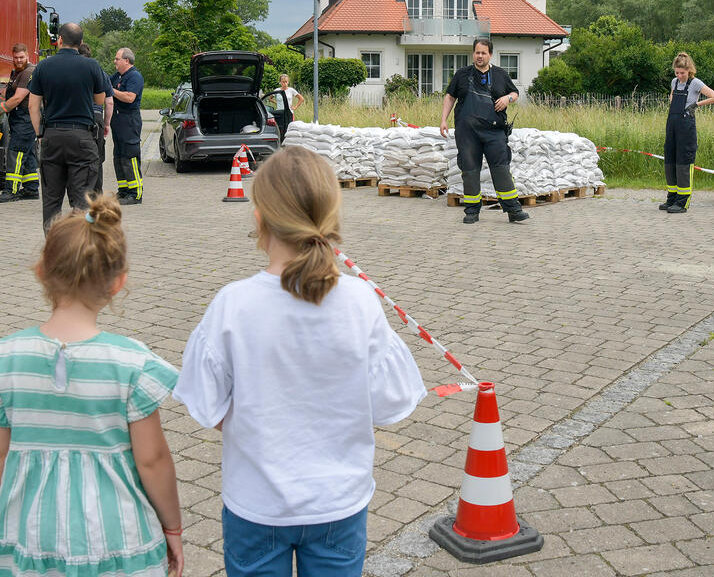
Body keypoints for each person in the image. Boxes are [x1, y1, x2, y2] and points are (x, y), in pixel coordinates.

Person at [173, 146, 426, 577]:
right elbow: (390, 403)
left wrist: (257, 418)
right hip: (338, 503)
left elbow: (207, 405)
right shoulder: (360, 301)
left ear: (258, 217)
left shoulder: (233, 304)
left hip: (257, 504)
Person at [0, 194, 183, 577]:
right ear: (118, 283)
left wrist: (10, 519)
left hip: (33, 532)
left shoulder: (2, 360)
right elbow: (152, 459)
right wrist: (173, 526)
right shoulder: (131, 364)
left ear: (41, 271)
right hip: (117, 533)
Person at [27, 22, 108, 229]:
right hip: (82, 138)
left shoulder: (43, 66)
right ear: (80, 43)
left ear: (59, 40)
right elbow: (100, 100)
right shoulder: (91, 66)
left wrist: (40, 134)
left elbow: (32, 105)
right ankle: (78, 245)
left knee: (52, 200)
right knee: (83, 199)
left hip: (52, 137)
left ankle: (54, 248)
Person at [439, 38, 529, 224]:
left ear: (490, 55)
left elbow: (515, 93)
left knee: (501, 168)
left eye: (483, 53)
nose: (480, 56)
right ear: (473, 54)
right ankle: (472, 211)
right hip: (467, 132)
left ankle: (513, 210)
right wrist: (443, 120)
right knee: (470, 170)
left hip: (494, 132)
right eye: (477, 52)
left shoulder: (500, 75)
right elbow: (450, 97)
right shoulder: (462, 75)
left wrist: (507, 99)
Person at [660, 52, 714, 213]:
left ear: (689, 70)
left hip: (686, 127)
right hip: (672, 125)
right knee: (670, 161)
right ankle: (671, 198)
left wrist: (696, 104)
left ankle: (682, 202)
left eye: (683, 73)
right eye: (677, 73)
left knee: (683, 162)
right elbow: (672, 99)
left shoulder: (695, 83)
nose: (680, 76)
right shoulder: (674, 82)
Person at [0, 43, 40, 202]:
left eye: (21, 57)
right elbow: (7, 91)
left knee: (16, 152)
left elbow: (18, 98)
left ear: (28, 56)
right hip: (19, 118)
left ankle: (11, 191)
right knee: (27, 155)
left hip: (25, 119)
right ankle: (31, 189)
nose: (18, 60)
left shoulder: (29, 72)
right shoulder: (17, 72)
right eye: (16, 57)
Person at [77, 41, 114, 196]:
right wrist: (106, 124)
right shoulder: (101, 73)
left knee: (78, 158)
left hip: (77, 118)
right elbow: (109, 102)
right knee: (97, 158)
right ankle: (96, 193)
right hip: (96, 117)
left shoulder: (72, 72)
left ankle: (80, 193)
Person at [111, 47, 145, 205]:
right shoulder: (118, 76)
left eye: (117, 59)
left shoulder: (134, 77)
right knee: (119, 156)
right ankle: (123, 190)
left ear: (126, 60)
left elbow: (130, 97)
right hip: (117, 121)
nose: (115, 62)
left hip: (129, 121)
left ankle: (135, 193)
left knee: (130, 157)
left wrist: (111, 91)